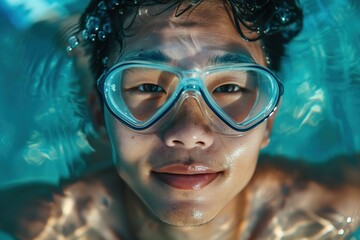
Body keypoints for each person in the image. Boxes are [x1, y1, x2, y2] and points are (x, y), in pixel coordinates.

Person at [0, 0, 359, 239]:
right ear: (99, 112)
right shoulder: (50, 221)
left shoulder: (335, 204)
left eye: (229, 87)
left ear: (268, 121)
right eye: (148, 85)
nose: (189, 133)